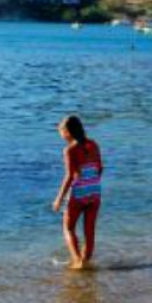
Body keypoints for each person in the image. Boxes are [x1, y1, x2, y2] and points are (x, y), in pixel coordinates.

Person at [53, 115, 104, 270]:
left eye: (61, 131)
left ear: (67, 132)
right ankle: (86, 259)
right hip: (95, 191)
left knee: (68, 228)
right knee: (89, 230)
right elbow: (100, 168)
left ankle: (77, 261)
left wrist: (59, 199)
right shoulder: (93, 144)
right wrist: (91, 183)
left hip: (79, 191)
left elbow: (69, 176)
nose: (60, 135)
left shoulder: (69, 150)